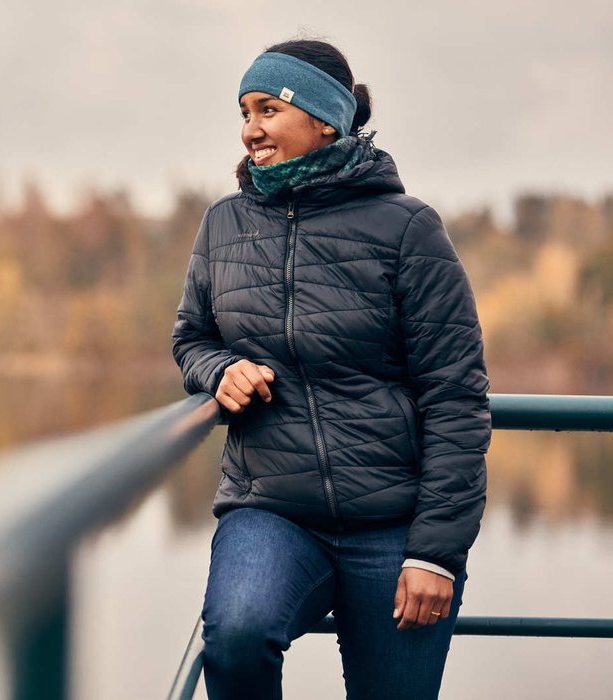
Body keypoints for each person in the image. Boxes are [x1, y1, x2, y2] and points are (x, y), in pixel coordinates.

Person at [172, 38, 491, 700]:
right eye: (243, 111)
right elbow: (191, 338)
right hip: (272, 511)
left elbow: (456, 398)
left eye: (268, 109)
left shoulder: (408, 230)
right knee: (234, 637)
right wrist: (219, 369)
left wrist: (435, 553)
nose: (249, 129)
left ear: (325, 119)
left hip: (394, 523)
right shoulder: (224, 225)